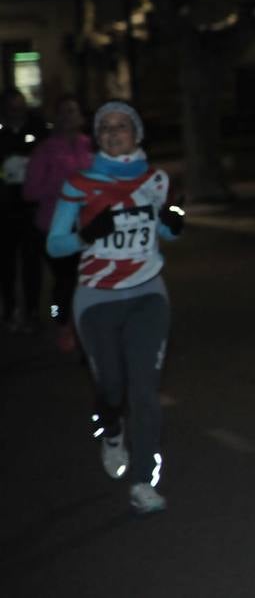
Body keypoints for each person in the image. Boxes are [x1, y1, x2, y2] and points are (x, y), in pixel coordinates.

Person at [47, 101, 184, 515]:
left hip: (147, 295)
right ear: (98, 137)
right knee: (111, 388)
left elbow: (166, 231)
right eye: (104, 127)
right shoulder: (79, 184)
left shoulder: (156, 180)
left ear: (136, 134)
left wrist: (174, 220)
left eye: (121, 125)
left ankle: (143, 481)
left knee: (144, 391)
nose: (112, 132)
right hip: (97, 298)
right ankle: (110, 430)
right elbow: (55, 244)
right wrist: (87, 235)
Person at [23, 94, 93, 352]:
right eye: (63, 112)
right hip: (53, 226)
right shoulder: (45, 150)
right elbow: (30, 191)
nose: (68, 117)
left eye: (73, 111)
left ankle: (84, 321)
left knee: (85, 278)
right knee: (63, 281)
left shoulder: (88, 146)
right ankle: (60, 320)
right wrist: (61, 187)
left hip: (85, 224)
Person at [0, 87, 46, 333]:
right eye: (11, 109)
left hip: (31, 207)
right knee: (7, 263)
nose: (15, 113)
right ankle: (10, 310)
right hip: (5, 208)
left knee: (32, 263)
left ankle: (34, 311)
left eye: (19, 108)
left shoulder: (36, 126)